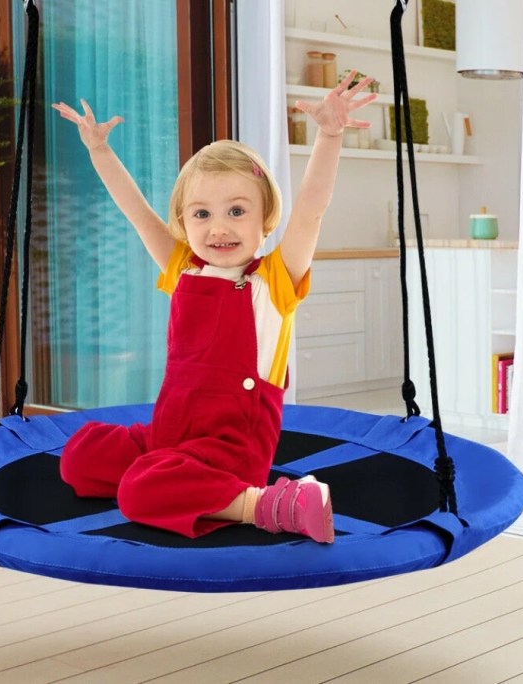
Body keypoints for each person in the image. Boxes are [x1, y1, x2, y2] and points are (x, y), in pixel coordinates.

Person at [52, 70, 375, 544]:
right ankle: (176, 481)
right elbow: (138, 213)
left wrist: (328, 136)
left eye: (237, 211)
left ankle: (267, 504)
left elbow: (311, 209)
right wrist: (99, 151)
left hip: (230, 450)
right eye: (201, 214)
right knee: (81, 455)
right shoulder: (184, 266)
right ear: (184, 221)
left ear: (264, 219)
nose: (218, 227)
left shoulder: (273, 280)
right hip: (168, 435)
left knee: (138, 492)